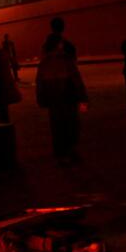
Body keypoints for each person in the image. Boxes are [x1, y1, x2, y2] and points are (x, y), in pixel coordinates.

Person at [36, 33, 87, 162]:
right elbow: (76, 79)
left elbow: (40, 82)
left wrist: (41, 98)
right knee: (71, 124)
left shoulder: (44, 63)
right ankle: (71, 149)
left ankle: (60, 152)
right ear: (58, 45)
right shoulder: (66, 60)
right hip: (67, 96)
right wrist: (82, 96)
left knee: (57, 125)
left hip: (53, 98)